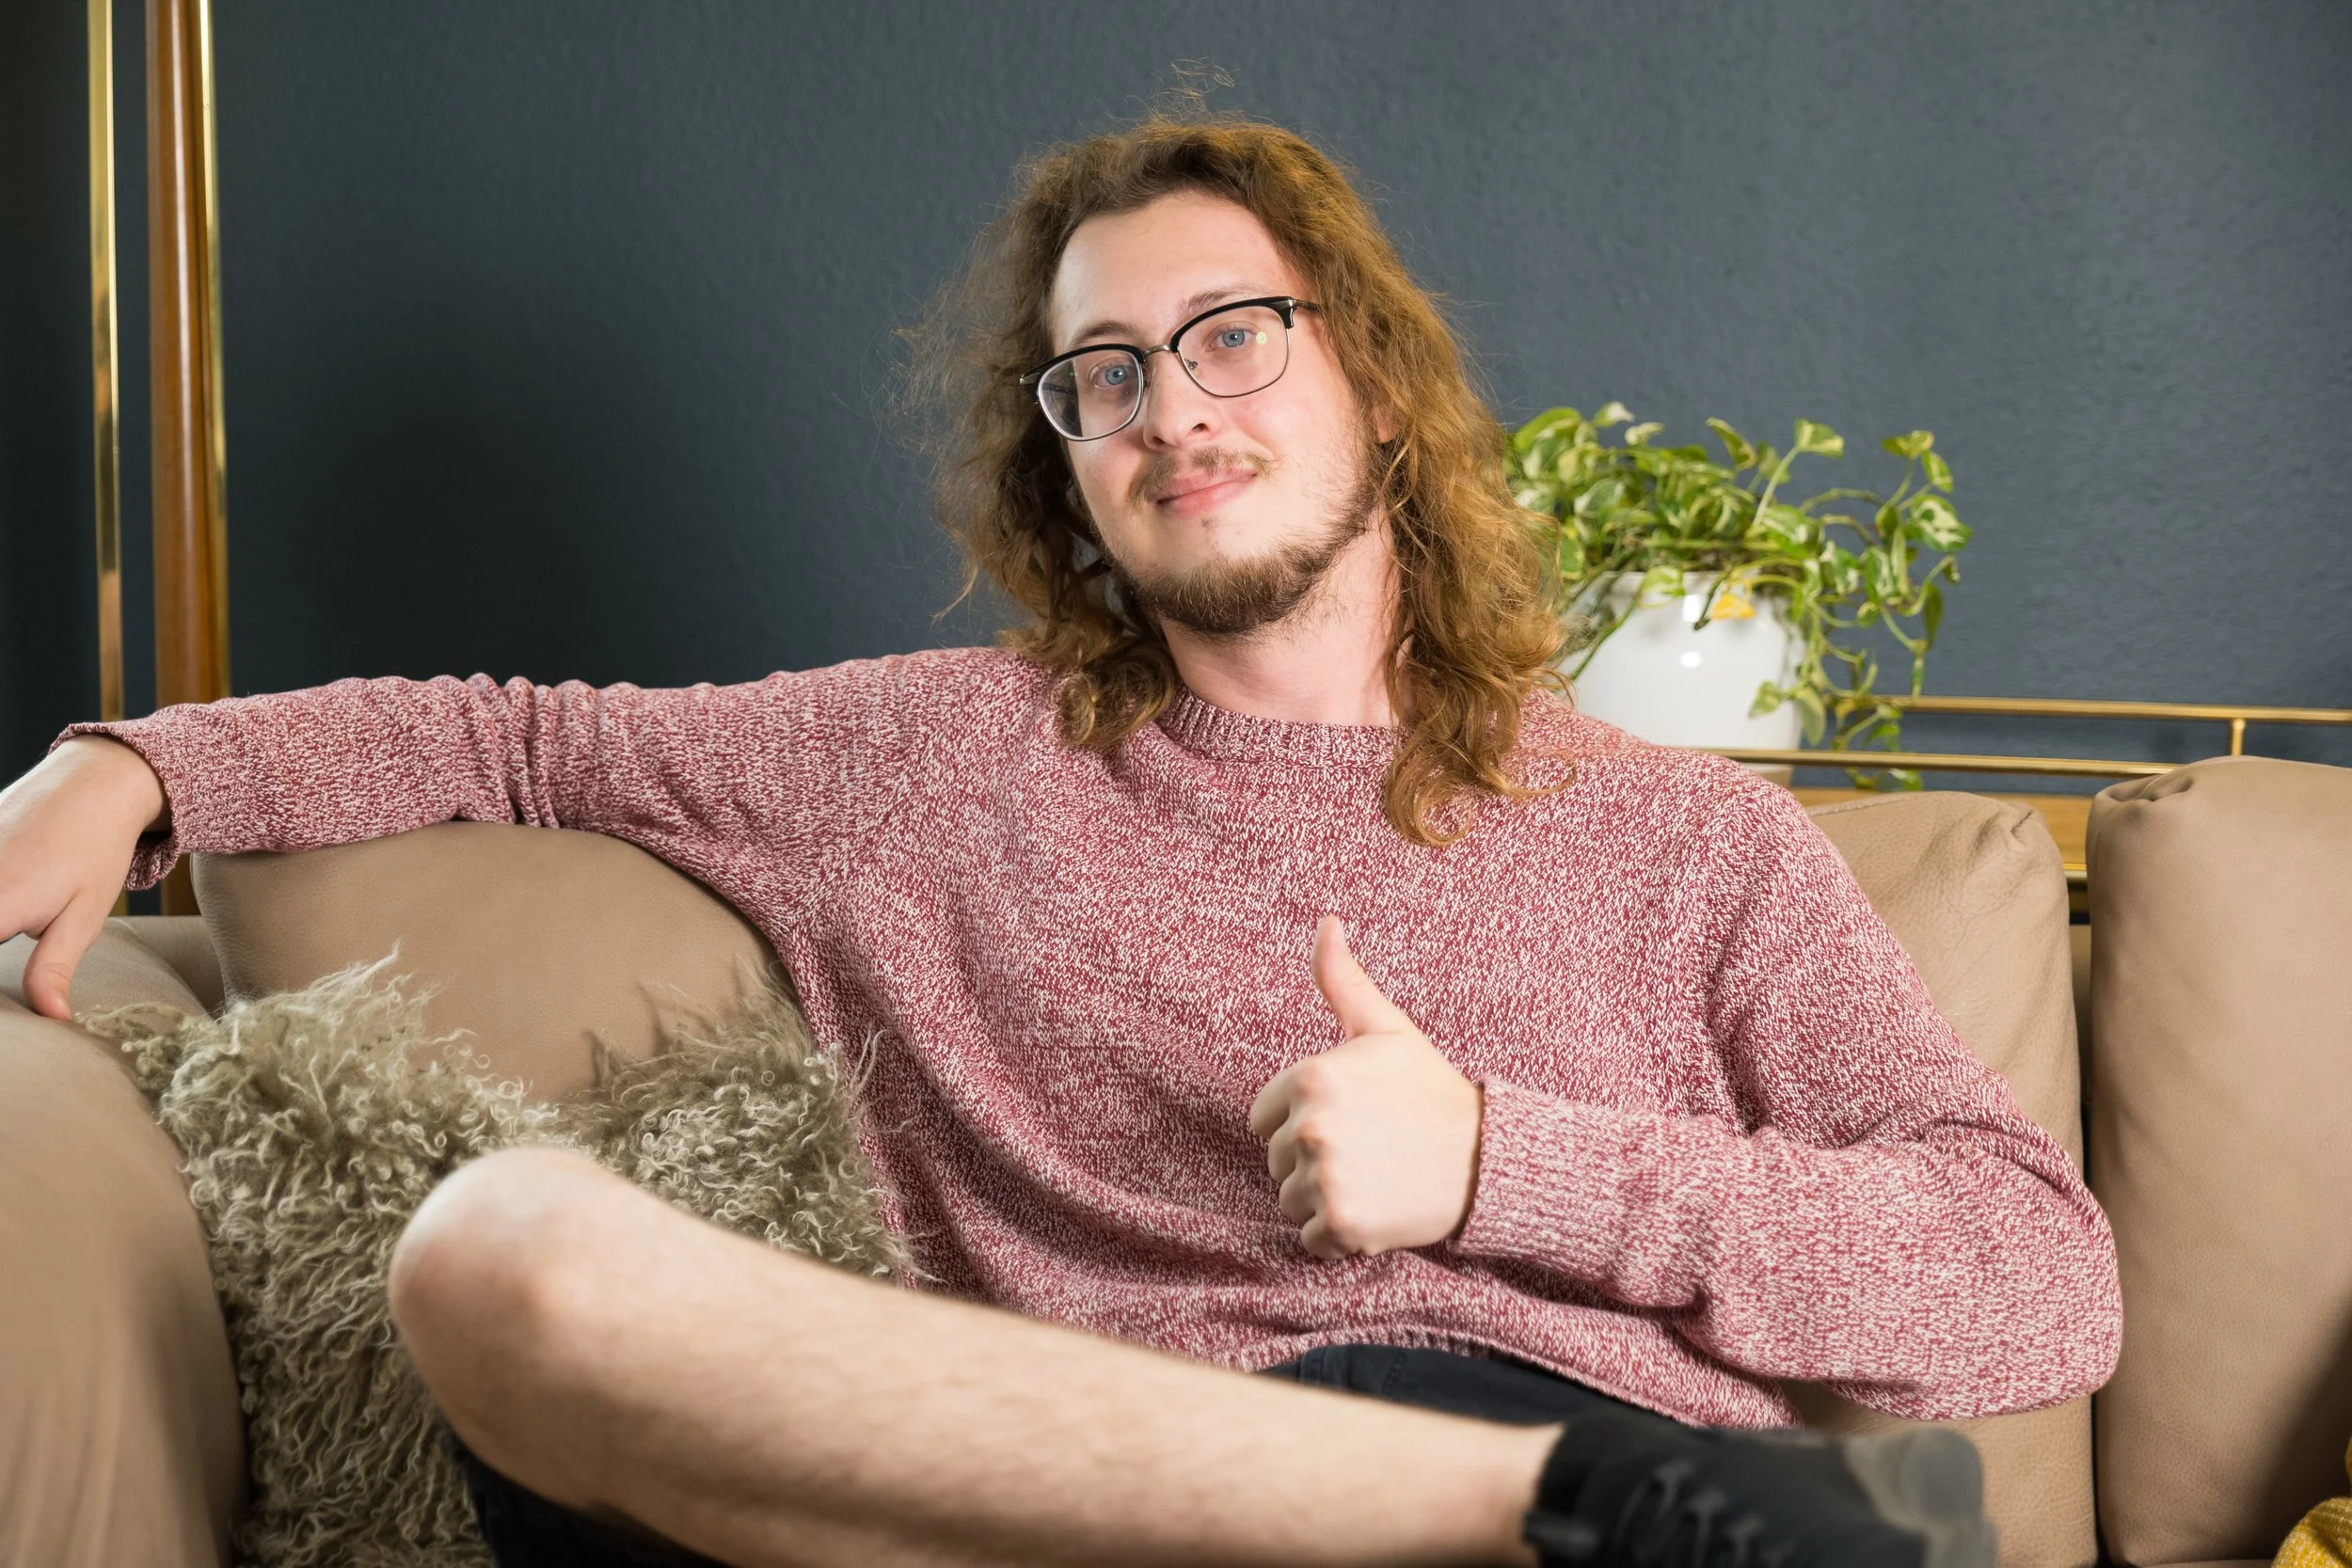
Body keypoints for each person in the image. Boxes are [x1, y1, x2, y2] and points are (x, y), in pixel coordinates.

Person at [0, 114, 2119, 1568]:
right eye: (1098, 377)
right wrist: (129, 763)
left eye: (1228, 338)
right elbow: (514, 737)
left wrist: (1499, 1161)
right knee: (493, 1253)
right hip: (1081, 1489)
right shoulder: (927, 758)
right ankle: (1580, 1506)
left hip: (1519, 1415)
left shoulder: (1681, 842)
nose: (1168, 411)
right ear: (1065, 466)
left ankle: (1570, 1499)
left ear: (1371, 383)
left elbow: (2035, 1284)